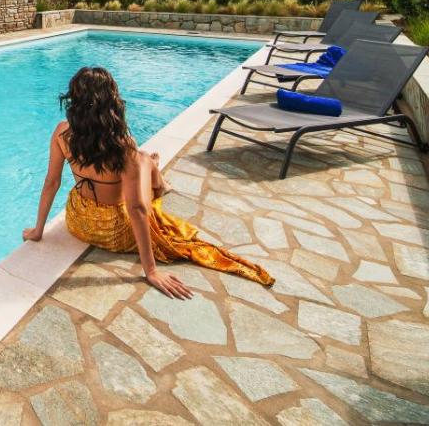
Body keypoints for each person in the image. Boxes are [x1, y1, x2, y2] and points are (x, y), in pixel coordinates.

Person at [23, 66, 274, 298]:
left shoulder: (61, 132)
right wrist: (151, 271)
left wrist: (38, 231)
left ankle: (152, 169)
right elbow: (137, 208)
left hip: (78, 221)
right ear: (111, 101)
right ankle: (158, 178)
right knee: (142, 158)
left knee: (142, 159)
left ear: (74, 101)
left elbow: (52, 182)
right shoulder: (123, 146)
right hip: (113, 231)